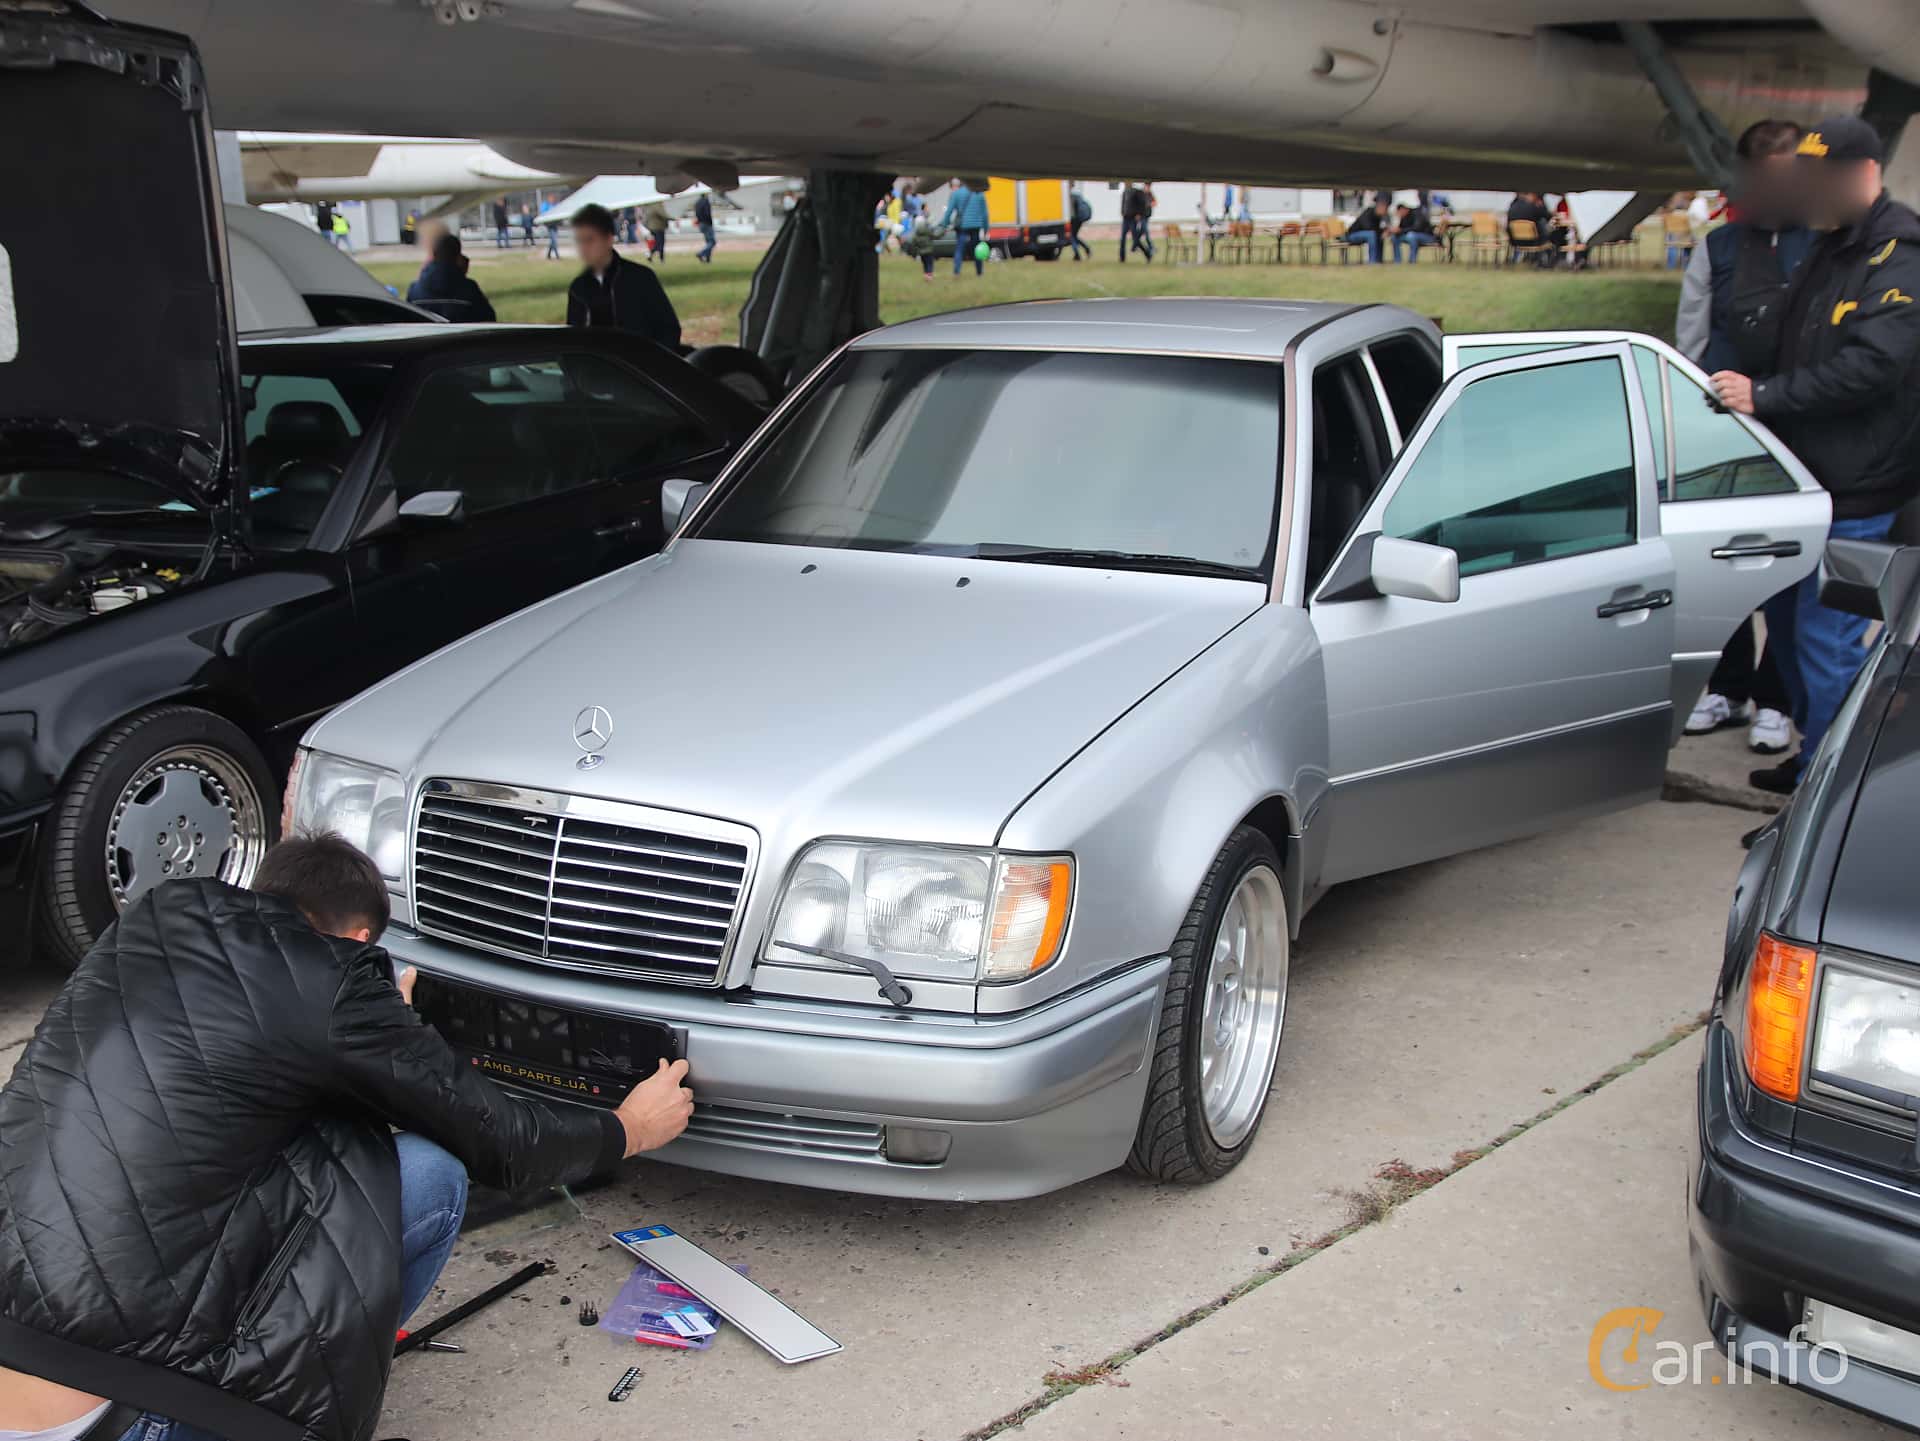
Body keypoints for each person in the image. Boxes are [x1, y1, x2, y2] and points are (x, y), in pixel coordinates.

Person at [0, 834, 694, 1441]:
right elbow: (504, 1141)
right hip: (121, 1418)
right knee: (432, 1173)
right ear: (360, 940)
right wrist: (629, 1128)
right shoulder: (330, 978)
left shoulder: (151, 923)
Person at [1709, 115, 1920, 793]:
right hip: (1807, 482)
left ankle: (1831, 801)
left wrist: (1764, 395)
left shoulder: (1899, 254)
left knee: (1826, 649)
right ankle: (1814, 765)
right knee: (1793, 641)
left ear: (1864, 174)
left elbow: (1872, 369)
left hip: (1857, 491)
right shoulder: (1833, 245)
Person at [1675, 117, 1812, 756]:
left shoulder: (1829, 245)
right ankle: (1726, 686)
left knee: (1788, 568)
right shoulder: (1718, 247)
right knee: (1725, 557)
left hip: (1804, 425)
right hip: (1728, 430)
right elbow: (1692, 340)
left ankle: (1777, 697)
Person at [565, 201, 683, 349]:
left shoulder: (641, 278)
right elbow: (572, 340)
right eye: (579, 241)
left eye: (589, 240)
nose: (583, 248)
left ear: (608, 239)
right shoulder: (578, 287)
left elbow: (669, 329)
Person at [406, 231, 498, 321]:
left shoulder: (414, 290)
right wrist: (461, 274)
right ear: (458, 257)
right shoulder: (469, 289)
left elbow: (408, 320)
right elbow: (489, 319)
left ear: (433, 255)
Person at [940, 176, 990, 276]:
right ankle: (979, 272)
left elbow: (949, 211)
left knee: (959, 249)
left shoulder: (956, 194)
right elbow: (985, 214)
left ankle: (956, 272)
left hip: (962, 226)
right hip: (976, 226)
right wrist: (985, 229)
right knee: (977, 249)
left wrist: (944, 225)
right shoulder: (979, 193)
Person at [1506, 190, 1554, 266]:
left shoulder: (1512, 207)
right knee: (1546, 229)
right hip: (1533, 241)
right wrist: (1541, 206)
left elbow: (1507, 226)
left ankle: (1519, 259)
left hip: (1516, 242)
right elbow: (1548, 216)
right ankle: (1547, 261)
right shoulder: (1532, 207)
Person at [1345, 194, 1389, 264]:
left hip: (1368, 234)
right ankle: (1372, 261)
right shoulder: (1368, 212)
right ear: (1379, 207)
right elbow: (1368, 227)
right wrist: (1380, 232)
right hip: (1352, 235)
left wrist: (1384, 232)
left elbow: (1378, 229)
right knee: (1372, 234)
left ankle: (1379, 260)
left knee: (1380, 236)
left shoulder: (1379, 216)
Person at [1067, 184, 1093, 260]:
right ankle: (1087, 249)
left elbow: (1071, 210)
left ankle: (1077, 254)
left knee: (1072, 237)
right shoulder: (1077, 193)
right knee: (1074, 236)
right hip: (1080, 219)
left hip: (1074, 219)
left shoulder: (1070, 195)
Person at [694, 189, 717, 263]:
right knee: (712, 242)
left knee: (708, 242)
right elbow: (707, 214)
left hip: (701, 223)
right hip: (707, 223)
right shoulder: (706, 202)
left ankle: (708, 259)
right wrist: (710, 222)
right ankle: (701, 253)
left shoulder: (697, 203)